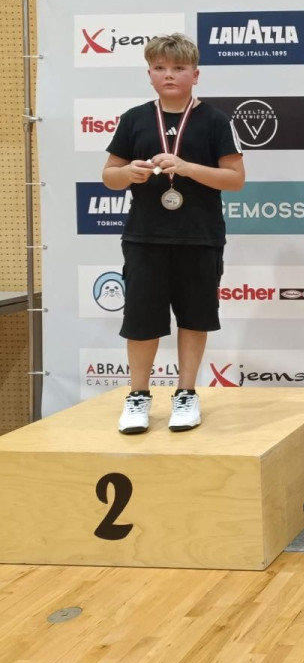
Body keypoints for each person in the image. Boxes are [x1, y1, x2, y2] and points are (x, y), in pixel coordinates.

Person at [101, 34, 245, 433]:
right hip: (144, 237)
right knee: (141, 320)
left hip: (199, 236)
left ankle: (186, 394)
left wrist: (186, 167)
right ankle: (138, 396)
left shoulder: (215, 120)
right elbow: (109, 176)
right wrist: (127, 173)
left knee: (195, 317)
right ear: (149, 74)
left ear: (195, 75)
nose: (169, 75)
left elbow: (235, 179)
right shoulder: (134, 118)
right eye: (160, 68)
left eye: (179, 68)